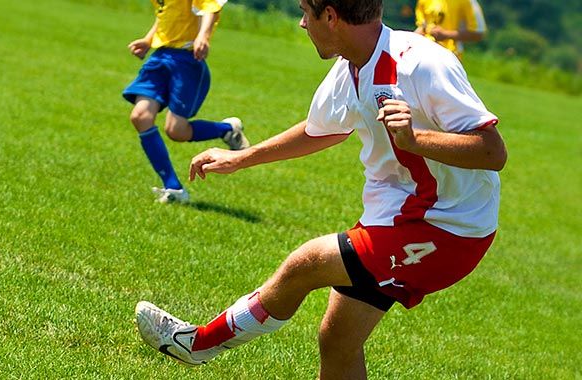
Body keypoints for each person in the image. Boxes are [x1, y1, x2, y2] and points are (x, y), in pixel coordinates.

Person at [134, 0, 507, 376]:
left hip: (449, 228)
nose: (301, 23)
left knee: (305, 263)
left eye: (305, 12)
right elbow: (319, 130)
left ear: (330, 16)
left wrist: (416, 140)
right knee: (338, 340)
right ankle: (199, 345)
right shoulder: (349, 67)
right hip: (396, 218)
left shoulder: (422, 63)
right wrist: (240, 159)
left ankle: (199, 344)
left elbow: (492, 151)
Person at [122, 0, 250, 204]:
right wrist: (148, 39)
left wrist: (203, 35)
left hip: (187, 60)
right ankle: (173, 188)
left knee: (176, 131)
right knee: (140, 116)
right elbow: (166, 16)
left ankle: (226, 129)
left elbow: (210, 7)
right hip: (160, 56)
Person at [414, 0, 487, 60]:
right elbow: (422, 26)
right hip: (423, 54)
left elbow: (478, 33)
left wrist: (446, 34)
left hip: (450, 57)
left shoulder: (468, 1)